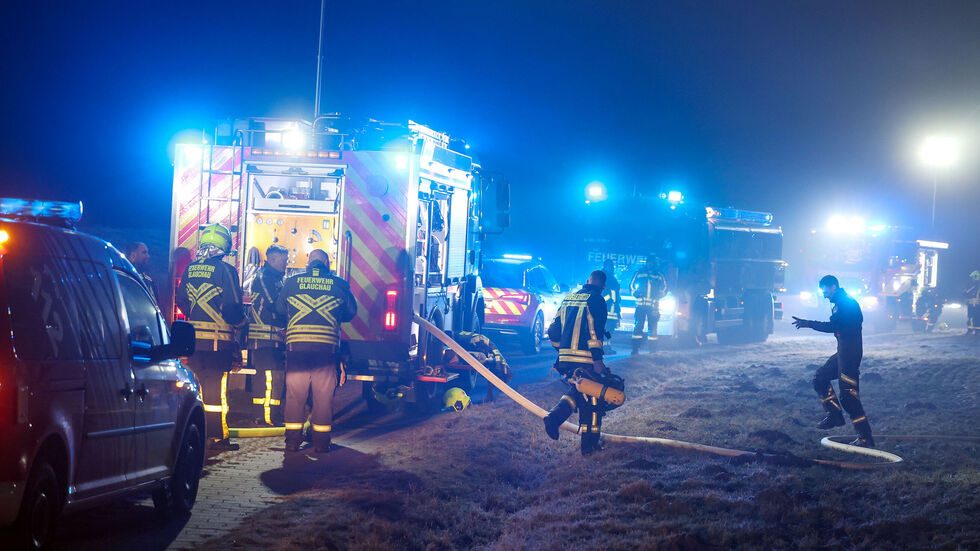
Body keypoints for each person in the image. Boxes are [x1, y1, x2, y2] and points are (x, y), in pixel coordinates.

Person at [276, 249, 357, 453]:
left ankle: (292, 443)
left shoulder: (291, 282)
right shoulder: (339, 284)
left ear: (308, 263)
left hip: (296, 350)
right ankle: (321, 444)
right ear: (327, 264)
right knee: (323, 397)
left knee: (295, 396)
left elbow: (279, 309)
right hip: (325, 351)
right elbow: (350, 312)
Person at [176, 224, 246, 451]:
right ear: (224, 245)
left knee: (194, 388)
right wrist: (243, 323)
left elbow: (182, 301)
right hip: (218, 343)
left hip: (193, 343)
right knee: (215, 391)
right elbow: (233, 307)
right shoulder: (226, 270)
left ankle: (193, 432)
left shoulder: (190, 269)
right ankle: (217, 437)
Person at [792, 275, 874, 447]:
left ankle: (865, 438)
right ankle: (835, 415)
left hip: (849, 355)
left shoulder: (847, 304)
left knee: (849, 396)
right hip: (843, 353)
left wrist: (808, 323)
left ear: (834, 287)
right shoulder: (841, 303)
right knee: (820, 377)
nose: (823, 295)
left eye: (825, 291)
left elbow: (833, 327)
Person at [542, 270, 614, 455]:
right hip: (586, 359)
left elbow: (552, 331)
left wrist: (562, 350)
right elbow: (594, 333)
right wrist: (597, 360)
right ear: (603, 287)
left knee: (579, 393)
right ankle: (589, 447)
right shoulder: (598, 300)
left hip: (566, 359)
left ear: (587, 281)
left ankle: (556, 419)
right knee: (593, 401)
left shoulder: (569, 299)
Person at [247, 244, 289, 426]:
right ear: (271, 259)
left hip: (274, 338)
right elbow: (275, 303)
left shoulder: (277, 279)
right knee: (265, 378)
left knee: (276, 377)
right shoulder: (264, 277)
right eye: (283, 260)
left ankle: (273, 414)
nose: (286, 264)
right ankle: (261, 416)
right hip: (262, 339)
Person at [630, 255, 667, 355]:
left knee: (653, 329)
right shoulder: (639, 272)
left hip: (653, 306)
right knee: (638, 327)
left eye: (651, 262)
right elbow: (631, 285)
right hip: (640, 306)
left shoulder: (659, 274)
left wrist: (659, 295)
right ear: (646, 263)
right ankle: (635, 349)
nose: (649, 264)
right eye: (648, 262)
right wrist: (635, 293)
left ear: (654, 263)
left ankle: (652, 350)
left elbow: (665, 288)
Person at [601, 259, 621, 353]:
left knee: (610, 329)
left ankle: (608, 346)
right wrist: (608, 299)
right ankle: (604, 347)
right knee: (605, 329)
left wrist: (617, 307)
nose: (609, 268)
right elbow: (600, 293)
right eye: (607, 266)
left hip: (613, 310)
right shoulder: (602, 277)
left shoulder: (613, 278)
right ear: (604, 266)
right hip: (605, 309)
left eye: (610, 266)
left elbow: (616, 294)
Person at [966, 270, 980, 336]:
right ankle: (974, 331)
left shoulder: (975, 286)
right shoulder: (975, 286)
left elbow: (966, 293)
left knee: (973, 318)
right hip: (973, 305)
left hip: (974, 306)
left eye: (973, 278)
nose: (972, 279)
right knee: (973, 318)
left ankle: (973, 331)